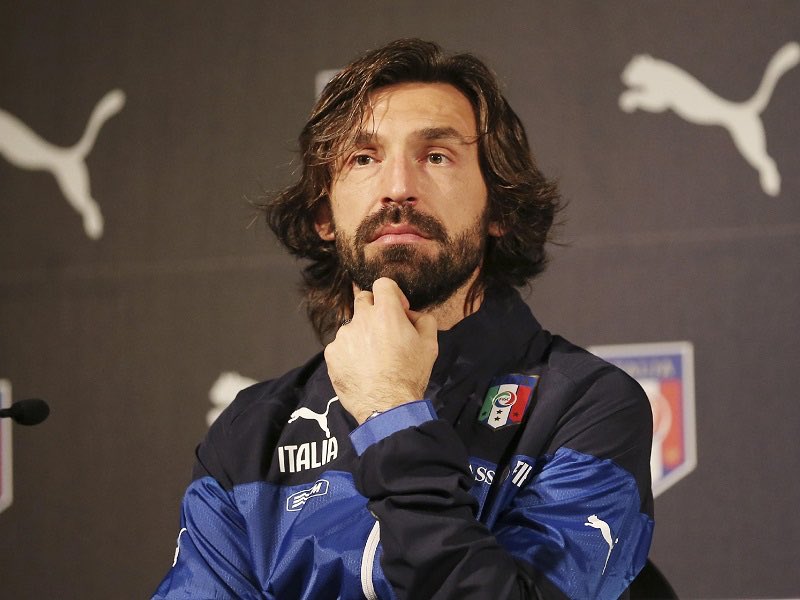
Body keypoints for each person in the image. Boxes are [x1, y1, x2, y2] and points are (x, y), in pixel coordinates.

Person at [153, 39, 654, 600]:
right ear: (324, 215)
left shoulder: (586, 407)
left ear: (500, 208)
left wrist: (392, 412)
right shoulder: (249, 434)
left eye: (436, 156)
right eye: (363, 159)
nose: (398, 188)